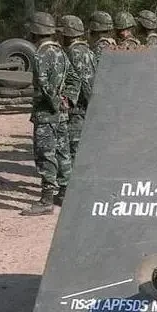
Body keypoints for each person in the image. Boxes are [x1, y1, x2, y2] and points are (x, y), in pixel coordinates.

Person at [21, 12, 78, 216]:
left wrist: (55, 103)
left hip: (46, 115)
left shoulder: (40, 54)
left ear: (35, 32)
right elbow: (74, 78)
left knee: (45, 155)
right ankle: (65, 193)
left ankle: (46, 200)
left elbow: (44, 85)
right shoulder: (60, 51)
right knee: (63, 153)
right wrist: (67, 100)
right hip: (61, 115)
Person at [60, 15, 95, 184]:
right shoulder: (87, 50)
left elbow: (84, 81)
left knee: (73, 150)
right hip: (83, 107)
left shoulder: (74, 52)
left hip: (78, 109)